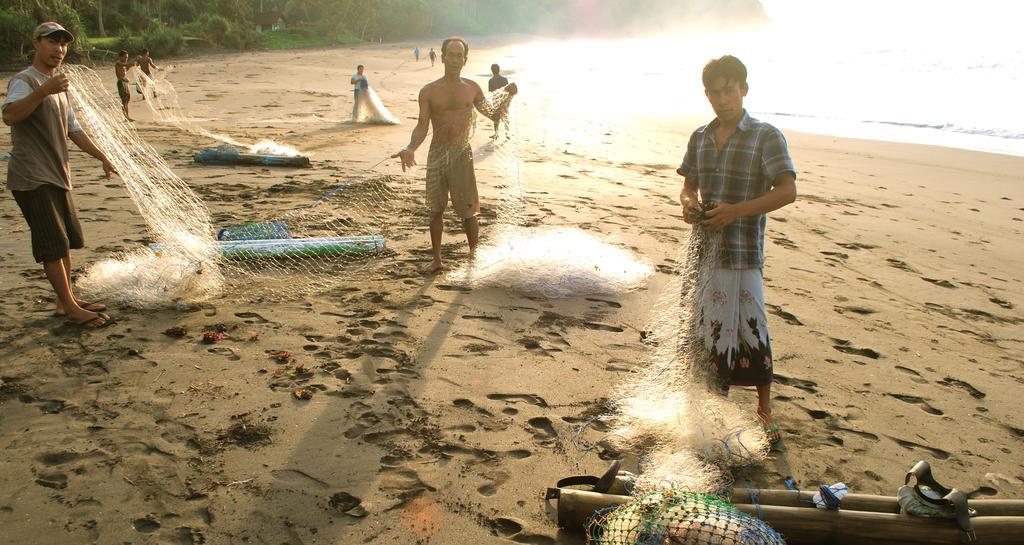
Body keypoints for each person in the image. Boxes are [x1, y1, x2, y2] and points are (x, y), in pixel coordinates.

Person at [677, 55, 797, 445]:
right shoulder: (700, 137)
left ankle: (764, 409)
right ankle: (711, 403)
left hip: (744, 253)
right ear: (706, 94)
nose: (722, 98)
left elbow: (787, 190)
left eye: (729, 90)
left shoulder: (766, 136)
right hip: (705, 251)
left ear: (744, 89)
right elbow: (687, 184)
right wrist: (688, 202)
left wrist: (736, 212)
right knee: (705, 328)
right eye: (714, 92)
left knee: (751, 327)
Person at [2, 22, 119, 328]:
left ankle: (64, 301)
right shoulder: (25, 81)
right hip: (31, 176)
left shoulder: (60, 86)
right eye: (52, 42)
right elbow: (10, 115)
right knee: (53, 243)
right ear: (37, 43)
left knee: (65, 240)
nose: (59, 49)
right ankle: (69, 307)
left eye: (63, 44)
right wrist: (42, 91)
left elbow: (74, 130)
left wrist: (102, 156)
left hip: (57, 174)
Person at [391, 37, 517, 273]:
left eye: (460, 55)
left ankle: (474, 256)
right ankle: (437, 259)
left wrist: (508, 96)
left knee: (469, 209)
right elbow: (421, 126)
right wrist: (410, 148)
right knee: (435, 208)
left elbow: (493, 113)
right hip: (437, 152)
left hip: (461, 153)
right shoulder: (428, 91)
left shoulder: (472, 88)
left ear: (465, 60)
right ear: (443, 57)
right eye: (451, 54)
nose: (456, 59)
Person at [487, 64, 509, 137]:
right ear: (499, 70)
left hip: (496, 101)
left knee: (496, 118)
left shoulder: (491, 81)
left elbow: (491, 91)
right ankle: (507, 134)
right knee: (505, 116)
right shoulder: (505, 79)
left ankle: (496, 134)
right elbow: (507, 91)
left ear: (492, 71)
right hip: (504, 100)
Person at [115, 50, 135, 121]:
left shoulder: (123, 64)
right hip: (121, 83)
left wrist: (131, 65)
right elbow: (126, 65)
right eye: (125, 57)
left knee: (127, 99)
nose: (126, 59)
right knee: (124, 101)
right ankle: (126, 117)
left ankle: (127, 116)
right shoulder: (118, 63)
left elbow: (125, 70)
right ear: (121, 57)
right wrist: (134, 60)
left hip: (125, 83)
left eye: (127, 57)